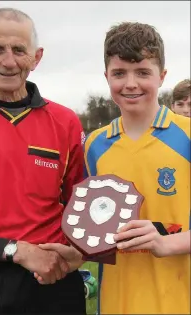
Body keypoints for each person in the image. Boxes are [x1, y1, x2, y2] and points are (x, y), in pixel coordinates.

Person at [0, 8, 87, 314]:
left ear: (36, 57)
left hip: (52, 279)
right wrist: (15, 250)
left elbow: (79, 206)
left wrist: (81, 251)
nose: (9, 62)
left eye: (19, 50)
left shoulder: (66, 121)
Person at [73, 22, 190, 315]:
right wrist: (73, 250)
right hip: (116, 301)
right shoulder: (95, 145)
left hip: (178, 298)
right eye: (119, 73)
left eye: (142, 72)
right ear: (106, 76)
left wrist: (167, 243)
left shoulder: (187, 135)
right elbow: (91, 226)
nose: (130, 83)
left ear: (162, 76)